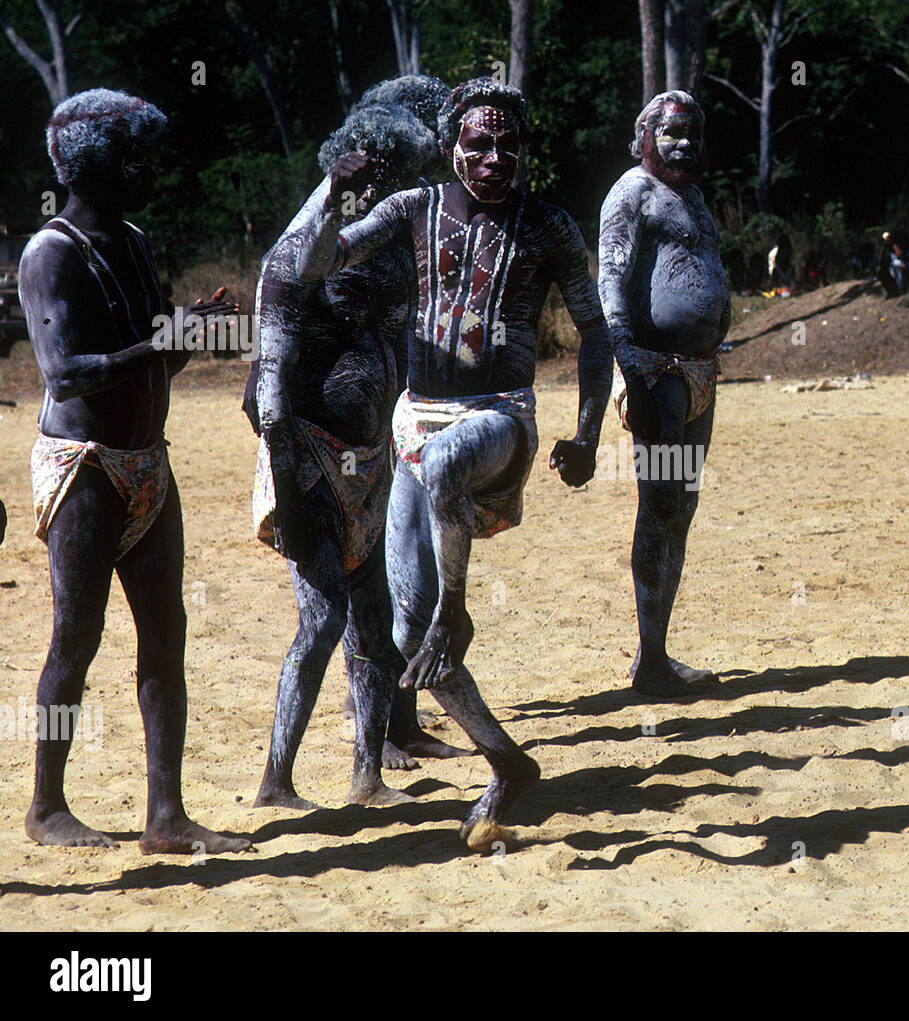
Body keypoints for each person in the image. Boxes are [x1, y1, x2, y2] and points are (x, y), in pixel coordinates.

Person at [295, 78, 613, 847]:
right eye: (478, 142)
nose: (494, 157)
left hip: (500, 418)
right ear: (450, 146)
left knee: (441, 474)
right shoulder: (412, 210)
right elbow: (321, 259)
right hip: (416, 422)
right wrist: (330, 192)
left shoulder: (548, 226)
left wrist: (587, 433)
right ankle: (507, 761)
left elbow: (596, 330)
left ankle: (459, 608)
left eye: (509, 144)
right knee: (409, 632)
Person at [19, 89, 248, 853]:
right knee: (75, 639)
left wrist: (192, 332)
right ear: (95, 166)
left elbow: (156, 358)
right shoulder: (49, 253)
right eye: (136, 158)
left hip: (148, 463)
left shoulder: (135, 240)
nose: (150, 170)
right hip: (85, 467)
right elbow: (65, 371)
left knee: (165, 636)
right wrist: (162, 342)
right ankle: (47, 804)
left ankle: (165, 813)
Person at [251, 98, 471, 812]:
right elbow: (275, 365)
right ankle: (276, 782)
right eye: (386, 173)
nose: (400, 186)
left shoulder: (394, 234)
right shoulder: (309, 239)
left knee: (372, 623)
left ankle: (366, 775)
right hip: (308, 453)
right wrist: (285, 483)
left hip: (372, 457)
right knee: (322, 619)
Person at [599, 91, 730, 697]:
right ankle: (650, 660)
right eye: (672, 134)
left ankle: (659, 651)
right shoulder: (633, 192)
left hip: (698, 374)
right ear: (644, 136)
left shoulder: (694, 196)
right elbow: (611, 280)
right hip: (659, 373)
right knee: (660, 502)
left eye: (694, 135)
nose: (684, 145)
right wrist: (631, 366)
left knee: (683, 506)